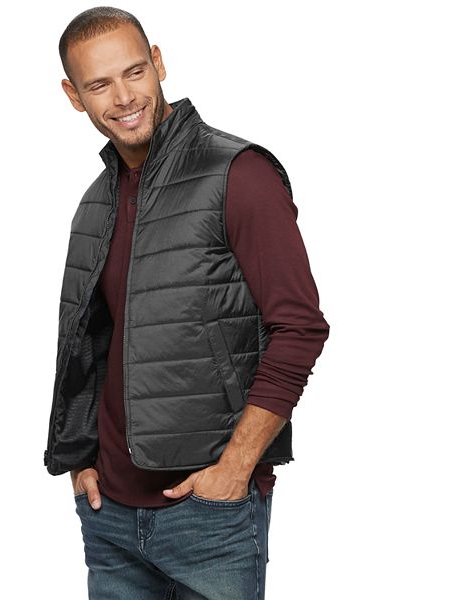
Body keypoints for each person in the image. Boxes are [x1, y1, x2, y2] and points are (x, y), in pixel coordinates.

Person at [44, 6, 330, 599]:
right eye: (99, 84)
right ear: (74, 96)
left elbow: (299, 327)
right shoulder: (94, 204)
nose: (124, 97)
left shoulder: (238, 173)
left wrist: (236, 467)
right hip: (109, 519)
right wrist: (79, 460)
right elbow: (88, 349)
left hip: (210, 516)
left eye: (135, 72)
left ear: (158, 63)